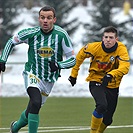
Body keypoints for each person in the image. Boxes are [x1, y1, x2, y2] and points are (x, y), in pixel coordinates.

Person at [0, 5, 76, 133]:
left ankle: (15, 127)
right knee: (35, 102)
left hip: (49, 80)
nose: (45, 21)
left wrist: (59, 65)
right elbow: (11, 41)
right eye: (42, 18)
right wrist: (2, 59)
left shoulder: (61, 35)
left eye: (49, 18)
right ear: (39, 19)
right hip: (32, 74)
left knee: (32, 109)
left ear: (54, 20)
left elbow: (73, 59)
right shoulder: (31, 33)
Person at [68, 26, 130, 133]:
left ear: (116, 39)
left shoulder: (121, 49)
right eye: (106, 37)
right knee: (101, 105)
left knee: (108, 120)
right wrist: (74, 74)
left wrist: (111, 75)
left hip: (113, 85)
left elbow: (125, 67)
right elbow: (79, 57)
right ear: (102, 38)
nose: (108, 40)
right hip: (96, 81)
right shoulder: (93, 47)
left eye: (111, 38)